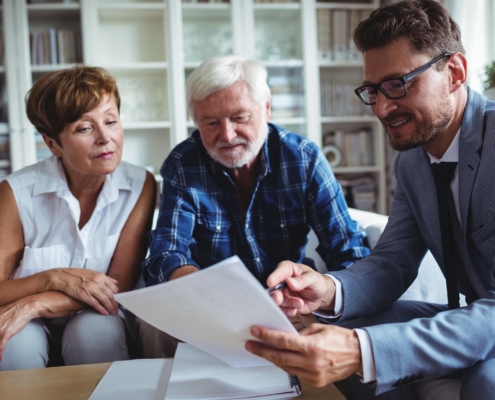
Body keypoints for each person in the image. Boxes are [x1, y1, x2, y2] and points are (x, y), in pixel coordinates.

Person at [244, 1, 495, 399]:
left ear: (455, 73)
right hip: (469, 316)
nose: (382, 107)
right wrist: (326, 289)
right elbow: (393, 261)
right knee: (336, 333)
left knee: (487, 381)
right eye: (372, 90)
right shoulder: (413, 160)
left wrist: (367, 352)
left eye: (398, 84)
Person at [140, 55, 370, 357]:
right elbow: (167, 252)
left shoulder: (304, 159)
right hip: (209, 306)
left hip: (287, 303)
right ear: (196, 122)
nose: (227, 134)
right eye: (210, 122)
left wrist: (319, 294)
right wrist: (198, 286)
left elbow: (349, 250)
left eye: (239, 118)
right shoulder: (183, 164)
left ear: (266, 109)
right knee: (154, 326)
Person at [0, 66, 156, 370]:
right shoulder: (15, 193)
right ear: (53, 144)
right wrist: (52, 277)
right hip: (22, 318)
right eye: (84, 128)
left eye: (111, 121)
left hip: (96, 314)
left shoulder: (141, 185)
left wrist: (36, 302)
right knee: (17, 343)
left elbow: (117, 288)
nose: (105, 138)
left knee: (94, 331)